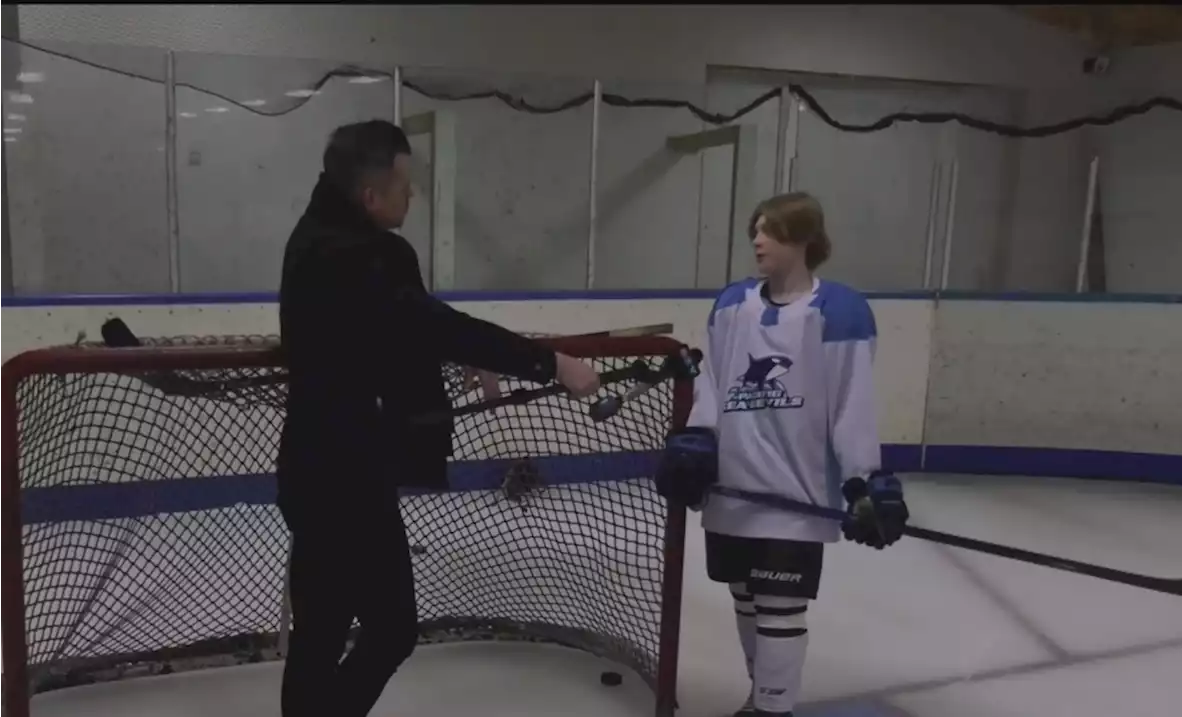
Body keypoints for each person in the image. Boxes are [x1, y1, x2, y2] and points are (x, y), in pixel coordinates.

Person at [275, 119, 601, 717]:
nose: (411, 195)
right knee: (383, 629)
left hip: (321, 467)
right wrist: (551, 363)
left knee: (323, 635)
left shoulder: (317, 236)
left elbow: (384, 332)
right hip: (344, 479)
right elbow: (427, 323)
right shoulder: (362, 253)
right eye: (403, 184)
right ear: (370, 195)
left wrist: (460, 355)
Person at [656, 192, 909, 717]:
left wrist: (864, 479)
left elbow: (852, 404)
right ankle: (761, 696)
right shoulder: (731, 305)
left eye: (770, 230)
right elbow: (713, 384)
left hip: (796, 497)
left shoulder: (840, 312)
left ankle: (774, 710)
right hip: (732, 488)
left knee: (779, 608)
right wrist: (698, 439)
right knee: (746, 600)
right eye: (756, 229)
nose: (757, 239)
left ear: (803, 240)